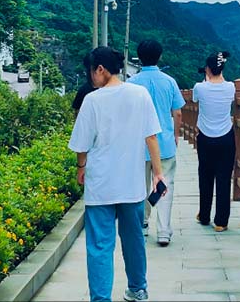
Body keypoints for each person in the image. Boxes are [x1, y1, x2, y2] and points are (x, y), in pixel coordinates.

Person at [68, 47, 166, 302]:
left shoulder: (92, 100)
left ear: (100, 69)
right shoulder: (140, 94)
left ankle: (101, 299)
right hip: (131, 185)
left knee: (100, 245)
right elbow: (151, 137)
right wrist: (158, 174)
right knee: (133, 240)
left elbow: (81, 145)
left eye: (91, 71)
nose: (90, 76)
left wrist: (81, 167)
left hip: (100, 185)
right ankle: (138, 288)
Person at [128, 39, 185, 247]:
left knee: (140, 186)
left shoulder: (132, 84)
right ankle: (163, 231)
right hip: (164, 143)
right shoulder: (169, 81)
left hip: (139, 145)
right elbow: (178, 112)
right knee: (164, 185)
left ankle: (142, 224)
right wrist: (176, 134)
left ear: (139, 57)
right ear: (159, 56)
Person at [192, 51, 236, 232]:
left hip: (205, 137)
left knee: (205, 175)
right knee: (224, 178)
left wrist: (207, 78)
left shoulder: (199, 88)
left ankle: (204, 215)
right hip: (226, 137)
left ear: (207, 69)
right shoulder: (231, 87)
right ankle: (221, 222)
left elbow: (195, 99)